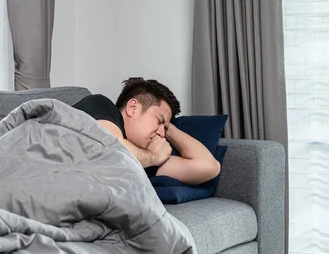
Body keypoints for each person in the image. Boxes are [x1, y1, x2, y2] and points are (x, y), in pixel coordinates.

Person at [73, 77, 220, 185]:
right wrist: (155, 156)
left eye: (165, 128)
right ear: (133, 108)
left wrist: (169, 128)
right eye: (159, 120)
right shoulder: (99, 104)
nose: (162, 134)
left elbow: (209, 167)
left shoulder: (145, 159)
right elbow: (111, 151)